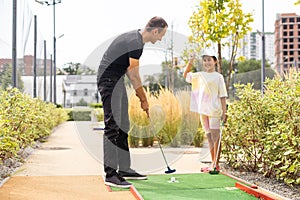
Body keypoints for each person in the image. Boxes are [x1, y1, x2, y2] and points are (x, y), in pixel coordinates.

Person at [97, 16, 168, 188]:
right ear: (155, 30)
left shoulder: (138, 42)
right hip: (108, 80)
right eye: (161, 35)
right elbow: (135, 76)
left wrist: (140, 96)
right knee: (112, 126)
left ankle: (124, 169)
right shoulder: (135, 42)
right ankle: (111, 174)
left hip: (117, 80)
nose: (160, 39)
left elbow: (130, 71)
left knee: (123, 125)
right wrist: (143, 99)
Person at [183, 49, 227, 173]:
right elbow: (185, 75)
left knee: (215, 137)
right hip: (203, 111)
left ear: (215, 61)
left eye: (209, 60)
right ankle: (212, 163)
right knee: (208, 137)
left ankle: (215, 164)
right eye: (205, 60)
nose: (207, 62)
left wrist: (224, 112)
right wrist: (190, 61)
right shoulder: (199, 75)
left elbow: (223, 95)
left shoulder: (218, 77)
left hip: (215, 111)